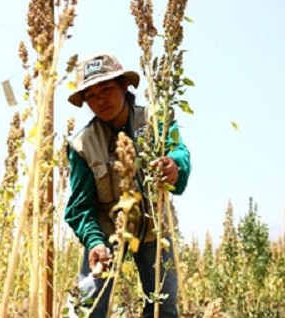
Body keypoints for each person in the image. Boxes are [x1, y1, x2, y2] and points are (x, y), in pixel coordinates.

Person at [65, 53, 191, 318]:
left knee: (163, 308)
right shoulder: (82, 145)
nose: (100, 99)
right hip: (106, 231)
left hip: (154, 228)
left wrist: (175, 165)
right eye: (90, 95)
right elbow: (79, 208)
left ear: (124, 86)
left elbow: (179, 151)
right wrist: (95, 242)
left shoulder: (156, 119)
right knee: (88, 305)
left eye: (106, 89)